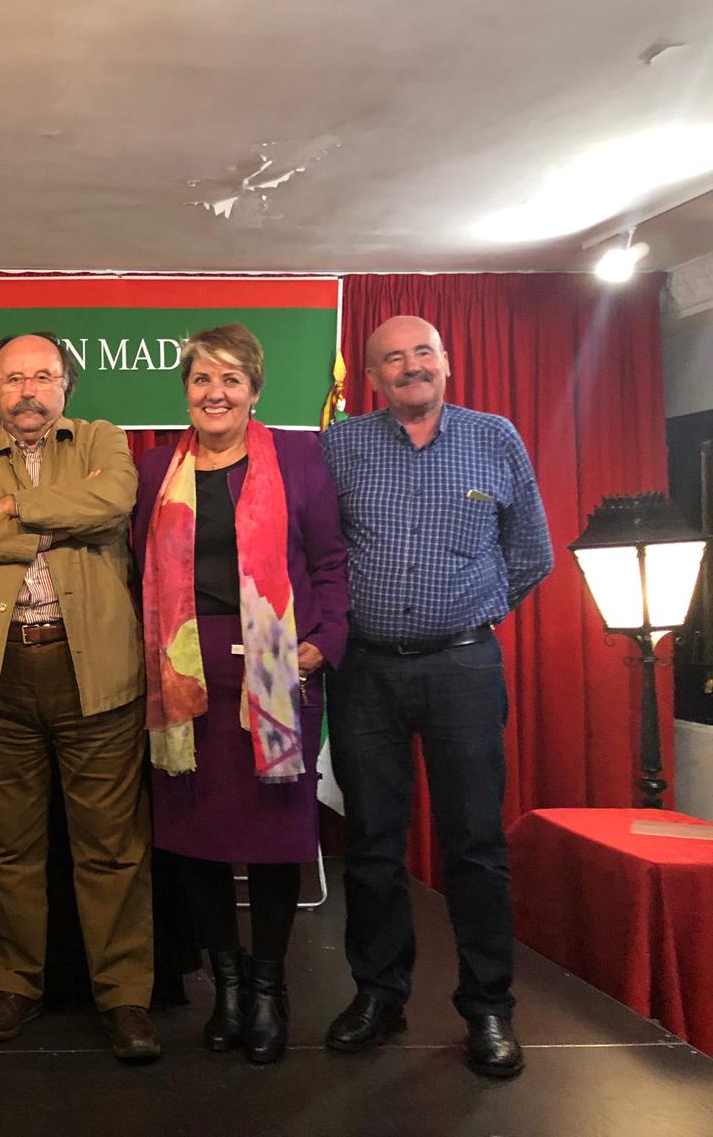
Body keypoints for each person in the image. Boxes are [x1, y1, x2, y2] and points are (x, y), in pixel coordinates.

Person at [321, 314, 553, 1078]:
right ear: (376, 375)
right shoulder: (343, 445)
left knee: (475, 847)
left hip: (462, 669)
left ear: (446, 363)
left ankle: (488, 1008)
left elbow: (531, 553)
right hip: (366, 674)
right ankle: (379, 995)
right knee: (374, 846)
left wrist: (472, 610)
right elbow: (318, 548)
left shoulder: (495, 437)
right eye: (393, 358)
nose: (410, 366)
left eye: (423, 353)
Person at [0, 332, 159, 1063]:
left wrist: (7, 510)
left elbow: (114, 500)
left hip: (93, 674)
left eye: (43, 378)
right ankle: (15, 986)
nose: (27, 392)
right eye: (11, 379)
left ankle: (123, 998)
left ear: (67, 385)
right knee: (8, 847)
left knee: (111, 847)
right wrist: (55, 522)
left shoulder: (102, 438)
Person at [131, 324, 348, 1064]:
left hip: (277, 668)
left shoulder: (298, 457)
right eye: (201, 380)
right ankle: (224, 991)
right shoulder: (158, 468)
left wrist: (327, 638)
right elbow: (140, 572)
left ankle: (268, 992)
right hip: (184, 673)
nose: (214, 393)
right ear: (185, 391)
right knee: (196, 839)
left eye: (230, 380)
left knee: (273, 840)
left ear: (254, 389)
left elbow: (328, 560)